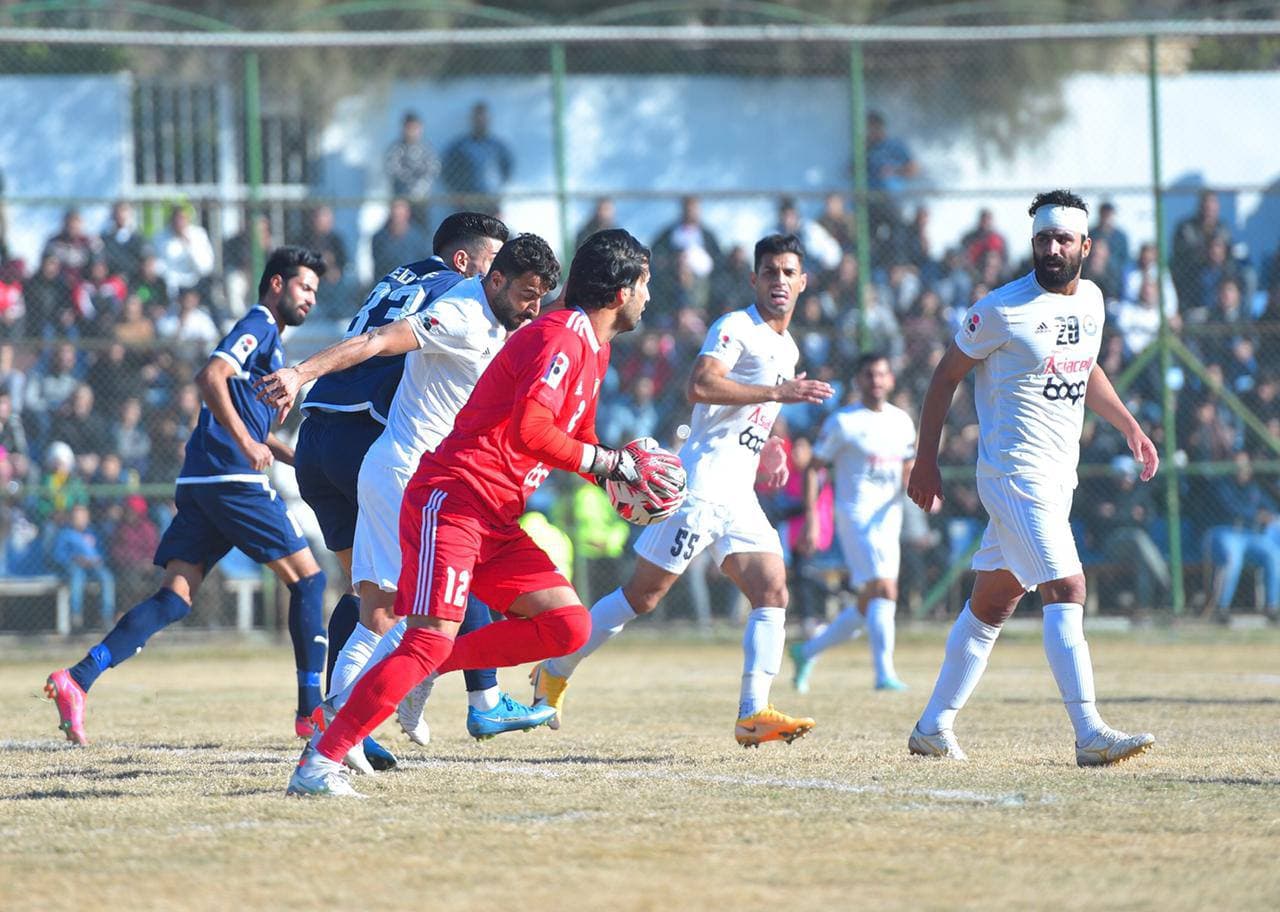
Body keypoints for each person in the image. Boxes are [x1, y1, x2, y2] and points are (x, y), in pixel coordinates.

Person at [287, 228, 675, 796]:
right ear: (619, 292)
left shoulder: (594, 346)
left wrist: (627, 477)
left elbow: (578, 438)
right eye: (644, 285)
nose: (649, 297)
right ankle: (319, 762)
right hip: (454, 497)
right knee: (421, 635)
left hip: (493, 513)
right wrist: (610, 463)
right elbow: (533, 430)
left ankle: (412, 674)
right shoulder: (563, 338)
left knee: (567, 626)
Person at [259, 226, 558, 770]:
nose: (532, 308)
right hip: (402, 469)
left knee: (378, 608)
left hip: (361, 455)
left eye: (541, 299)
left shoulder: (442, 291)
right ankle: (446, 706)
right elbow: (378, 341)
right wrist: (299, 371)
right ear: (486, 271)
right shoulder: (459, 305)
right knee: (427, 601)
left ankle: (344, 718)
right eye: (524, 294)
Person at [527, 233, 835, 748]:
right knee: (641, 598)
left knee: (772, 590)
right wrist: (779, 392)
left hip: (738, 493)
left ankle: (752, 712)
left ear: (803, 281)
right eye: (770, 271)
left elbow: (754, 413)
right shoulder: (735, 327)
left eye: (788, 272)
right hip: (701, 485)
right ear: (754, 278)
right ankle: (554, 670)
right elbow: (700, 385)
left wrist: (773, 446)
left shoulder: (787, 346)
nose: (779, 280)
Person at [905, 190, 1160, 767]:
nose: (1051, 248)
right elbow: (944, 379)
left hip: (1055, 479)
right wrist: (926, 460)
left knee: (992, 603)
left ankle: (932, 726)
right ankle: (1089, 732)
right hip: (1014, 476)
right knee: (1068, 588)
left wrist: (1129, 426)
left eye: (1063, 239)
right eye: (1043, 238)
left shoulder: (1092, 301)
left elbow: (1084, 366)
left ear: (1086, 247)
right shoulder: (999, 308)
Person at [44, 247, 330, 746]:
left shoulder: (272, 345)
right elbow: (210, 376)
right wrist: (245, 443)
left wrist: (287, 456)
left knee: (176, 598)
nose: (310, 299)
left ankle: (78, 678)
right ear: (277, 284)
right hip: (232, 480)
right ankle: (312, 713)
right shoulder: (260, 322)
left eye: (315, 292)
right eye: (304, 287)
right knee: (309, 581)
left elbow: (245, 415)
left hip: (202, 482)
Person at [789, 352, 915, 693]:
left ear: (890, 379)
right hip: (855, 514)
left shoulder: (902, 420)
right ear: (859, 380)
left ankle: (807, 651)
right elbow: (815, 468)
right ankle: (883, 675)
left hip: (889, 516)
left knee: (870, 601)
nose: (876, 380)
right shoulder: (844, 421)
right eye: (869, 375)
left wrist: (920, 489)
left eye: (882, 374)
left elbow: (907, 467)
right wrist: (813, 518)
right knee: (884, 588)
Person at [51, 503, 116, 630]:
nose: (80, 520)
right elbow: (58, 555)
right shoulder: (65, 533)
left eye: (83, 517)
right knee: (77, 577)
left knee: (106, 577)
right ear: (71, 518)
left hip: (94, 566)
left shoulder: (94, 532)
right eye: (76, 517)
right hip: (74, 566)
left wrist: (97, 559)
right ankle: (76, 616)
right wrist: (75, 558)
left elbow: (102, 552)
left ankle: (106, 616)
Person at [441, 101, 513, 215]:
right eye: (477, 118)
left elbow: (507, 168)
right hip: (467, 199)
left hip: (490, 199)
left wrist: (498, 188)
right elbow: (447, 170)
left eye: (484, 118)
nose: (481, 121)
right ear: (472, 120)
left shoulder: (496, 146)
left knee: (493, 228)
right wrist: (457, 192)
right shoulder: (461, 146)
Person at [385, 111, 440, 228]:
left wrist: (419, 186)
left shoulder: (426, 149)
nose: (412, 131)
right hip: (401, 201)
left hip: (421, 202)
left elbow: (433, 170)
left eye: (415, 127)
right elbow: (393, 171)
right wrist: (410, 183)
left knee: (422, 231)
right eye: (409, 127)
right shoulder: (396, 149)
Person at [371, 199, 430, 282]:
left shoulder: (418, 236)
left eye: (400, 214)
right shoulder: (380, 238)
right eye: (395, 213)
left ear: (407, 214)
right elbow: (377, 267)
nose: (397, 217)